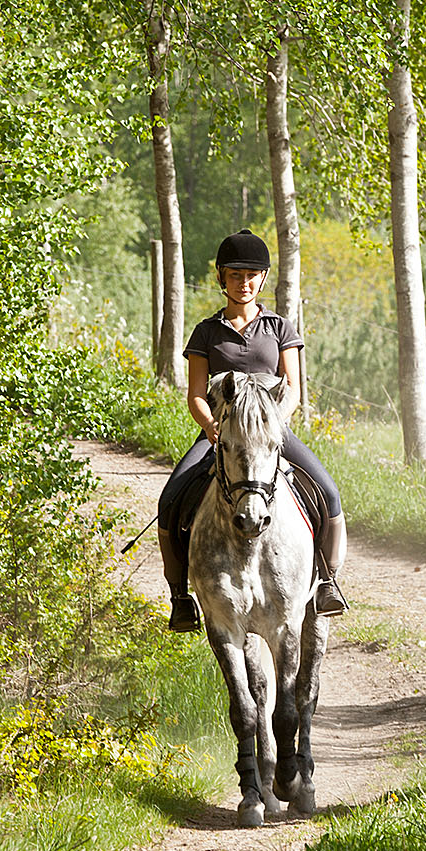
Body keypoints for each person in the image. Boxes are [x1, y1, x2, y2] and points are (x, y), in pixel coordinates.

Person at [156, 229, 349, 632]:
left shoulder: (280, 328)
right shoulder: (206, 333)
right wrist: (210, 426)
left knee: (328, 493)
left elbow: (293, 388)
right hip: (221, 434)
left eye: (252, 275)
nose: (243, 283)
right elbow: (195, 395)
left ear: (262, 279)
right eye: (235, 275)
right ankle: (181, 598)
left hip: (268, 433)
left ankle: (327, 584)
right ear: (221, 278)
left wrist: (273, 427)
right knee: (170, 498)